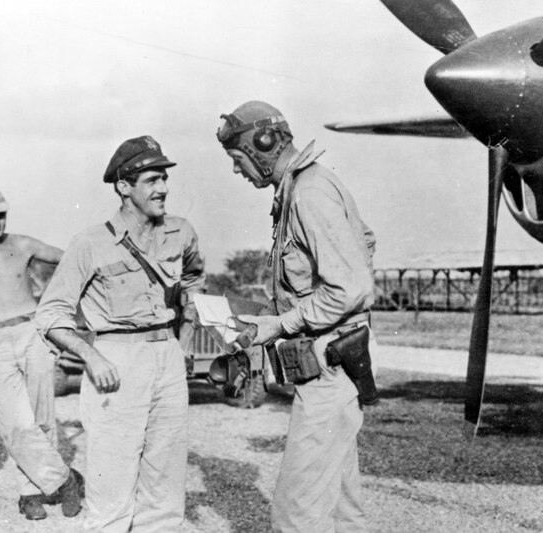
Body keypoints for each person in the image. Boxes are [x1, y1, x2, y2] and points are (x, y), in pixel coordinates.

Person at [217, 100, 379, 533]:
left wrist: (283, 324)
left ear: (261, 145)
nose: (237, 170)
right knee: (343, 509)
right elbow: (362, 244)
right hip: (330, 360)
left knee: (296, 512)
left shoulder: (309, 192)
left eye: (237, 159)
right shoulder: (300, 189)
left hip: (330, 366)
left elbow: (351, 287)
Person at [36, 135, 206, 533]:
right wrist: (91, 357)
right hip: (115, 359)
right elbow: (51, 314)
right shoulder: (90, 243)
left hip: (167, 356)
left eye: (164, 178)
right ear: (124, 187)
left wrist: (183, 336)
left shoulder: (181, 232)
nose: (163, 188)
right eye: (151, 180)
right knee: (111, 484)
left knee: (165, 481)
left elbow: (195, 279)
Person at [0, 188, 82, 521]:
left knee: (41, 417)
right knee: (15, 423)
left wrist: (56, 304)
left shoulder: (23, 244)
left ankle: (30, 493)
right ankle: (66, 480)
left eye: (1, 215)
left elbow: (73, 258)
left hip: (31, 332)